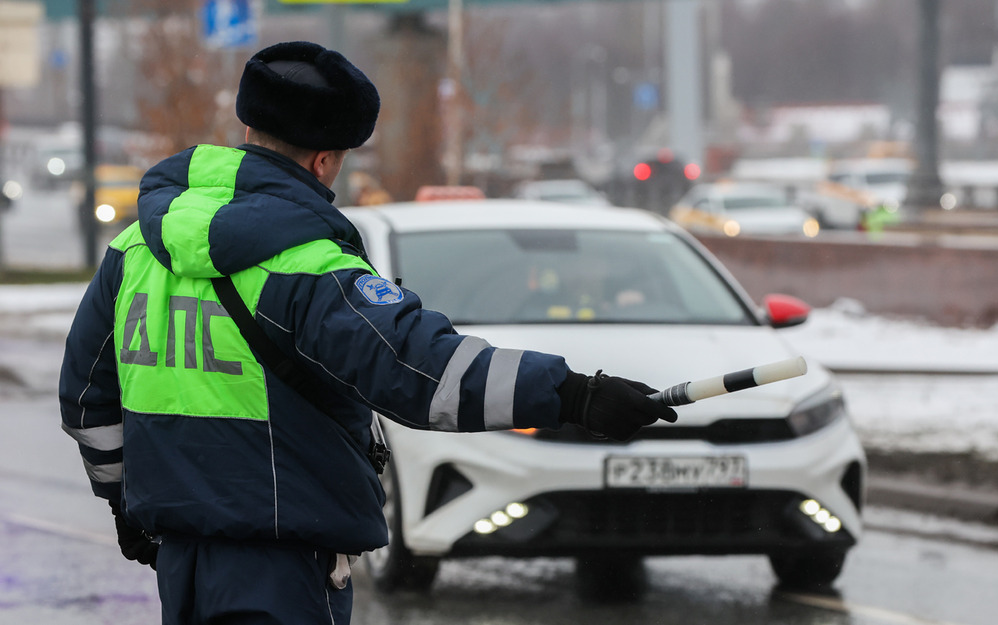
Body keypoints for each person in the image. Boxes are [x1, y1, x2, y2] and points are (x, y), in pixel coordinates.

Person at [58, 41, 677, 625]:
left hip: (183, 561)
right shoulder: (306, 265)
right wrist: (575, 394)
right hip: (283, 566)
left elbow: (86, 403)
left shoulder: (134, 248)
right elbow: (422, 371)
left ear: (249, 131)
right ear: (325, 159)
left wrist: (124, 503)